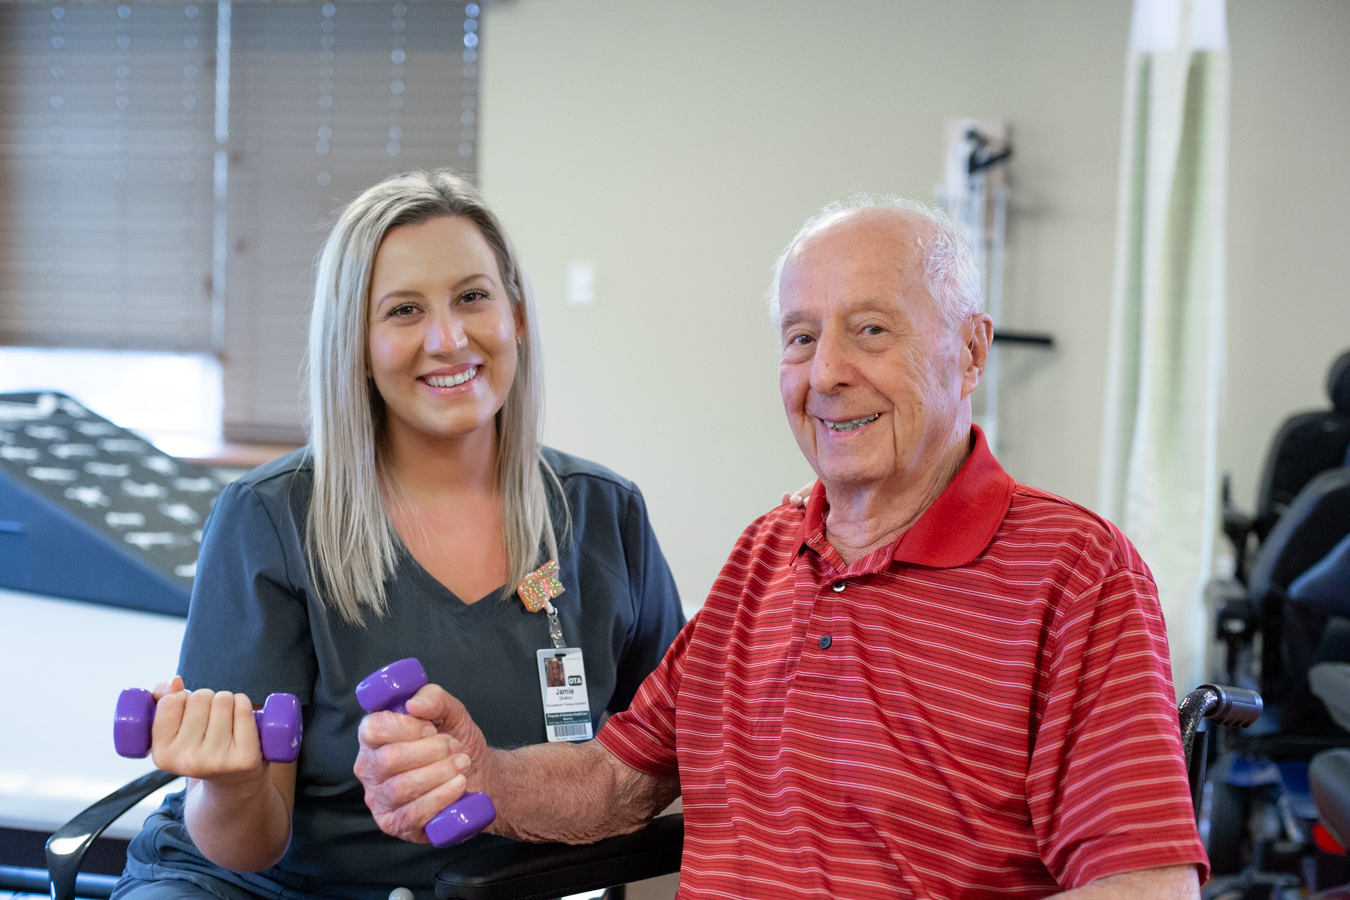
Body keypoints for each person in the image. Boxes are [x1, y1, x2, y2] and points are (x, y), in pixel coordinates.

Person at [354, 197, 1209, 899]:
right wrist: (481, 774)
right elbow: (619, 781)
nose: (826, 372)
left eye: (871, 330)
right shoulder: (764, 556)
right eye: (801, 338)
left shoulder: (1075, 570)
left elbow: (1144, 885)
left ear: (972, 349)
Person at [110, 171, 686, 900]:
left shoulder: (605, 515)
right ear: (355, 341)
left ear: (516, 316)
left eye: (472, 297)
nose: (448, 339)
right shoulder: (271, 518)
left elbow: (674, 754)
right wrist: (228, 783)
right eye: (404, 310)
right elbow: (246, 845)